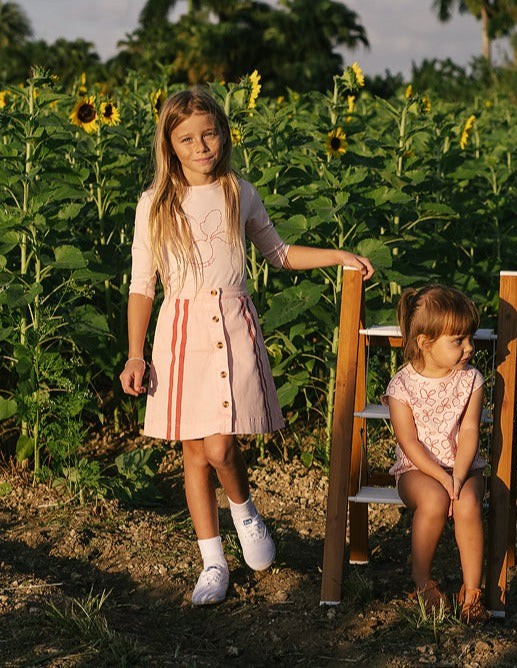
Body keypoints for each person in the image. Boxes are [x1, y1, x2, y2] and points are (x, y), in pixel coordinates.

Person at [119, 87, 373, 605]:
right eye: (186, 138)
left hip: (231, 326)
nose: (200, 146)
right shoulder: (154, 204)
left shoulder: (239, 192)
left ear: (223, 133)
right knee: (194, 451)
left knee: (220, 446)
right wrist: (136, 353)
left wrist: (336, 255)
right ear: (170, 145)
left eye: (208, 133)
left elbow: (278, 252)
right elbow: (142, 285)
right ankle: (213, 560)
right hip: (181, 333)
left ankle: (245, 509)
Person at [383, 285, 489, 624]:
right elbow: (409, 442)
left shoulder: (472, 380)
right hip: (416, 469)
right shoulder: (401, 386)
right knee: (434, 501)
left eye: (469, 338)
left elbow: (470, 430)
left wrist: (457, 475)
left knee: (468, 503)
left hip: (464, 464)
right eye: (458, 341)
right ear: (425, 343)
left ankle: (472, 592)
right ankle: (422, 582)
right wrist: (442, 478)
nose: (469, 347)